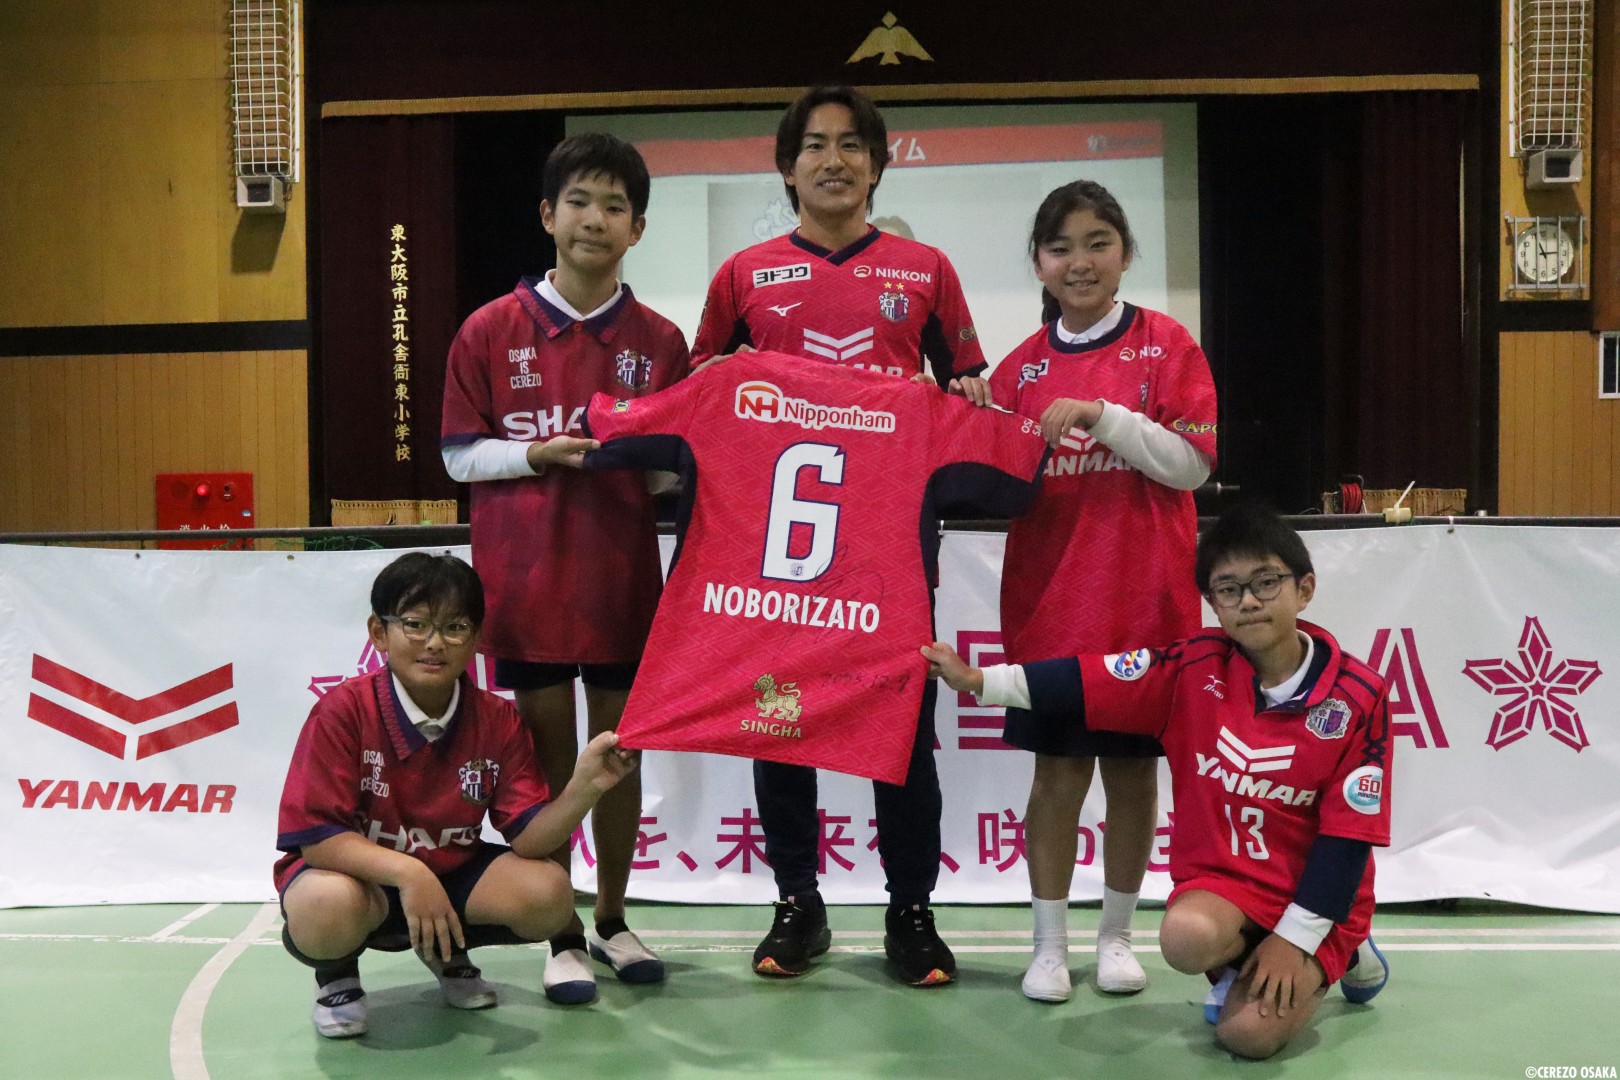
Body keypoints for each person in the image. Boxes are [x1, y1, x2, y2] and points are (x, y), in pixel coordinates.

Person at [690, 85, 987, 986]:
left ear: (877, 165)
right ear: (787, 168)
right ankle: (798, 905)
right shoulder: (743, 275)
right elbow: (701, 390)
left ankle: (911, 913)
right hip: (778, 544)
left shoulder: (926, 269)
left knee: (902, 725)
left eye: (852, 145)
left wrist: (953, 396)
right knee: (779, 718)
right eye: (814, 145)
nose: (833, 160)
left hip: (891, 541)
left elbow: (968, 389)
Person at [922, 503, 1392, 1059]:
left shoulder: (1359, 696)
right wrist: (979, 680)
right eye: (1228, 589)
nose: (1248, 601)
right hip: (1228, 887)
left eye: (1266, 583)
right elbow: (1085, 680)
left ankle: (1344, 949)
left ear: (1304, 589)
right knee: (1183, 937)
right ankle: (1244, 962)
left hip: (1314, 896)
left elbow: (1347, 838)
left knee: (1246, 1037)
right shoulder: (1193, 668)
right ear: (1212, 603)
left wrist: (1296, 939)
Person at [948, 179, 1218, 1001]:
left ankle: (1116, 938)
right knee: (1058, 777)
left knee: (1132, 778)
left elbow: (1192, 465)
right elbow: (988, 487)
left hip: (1147, 611)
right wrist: (961, 418)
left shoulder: (1168, 345)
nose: (1080, 261)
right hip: (1050, 611)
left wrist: (1104, 415)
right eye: (1060, 247)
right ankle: (1049, 948)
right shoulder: (1017, 369)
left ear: (1126, 253)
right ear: (1038, 262)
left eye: (1098, 243)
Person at [440, 132, 689, 1004]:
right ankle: (562, 932)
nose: (595, 219)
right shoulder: (489, 329)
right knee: (548, 772)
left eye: (615, 206)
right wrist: (537, 455)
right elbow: (459, 456)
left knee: (617, 760)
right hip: (525, 589)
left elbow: (667, 476)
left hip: (622, 589)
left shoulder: (661, 341)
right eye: (579, 201)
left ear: (638, 228)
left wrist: (653, 461)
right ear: (548, 214)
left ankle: (613, 919)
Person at [274, 553, 639, 1038]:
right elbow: (318, 839)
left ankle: (445, 950)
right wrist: (410, 873)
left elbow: (529, 839)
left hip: (448, 875)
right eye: (415, 624)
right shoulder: (342, 711)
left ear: (477, 639)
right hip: (361, 881)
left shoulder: (497, 719)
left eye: (454, 627)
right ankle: (337, 973)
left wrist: (585, 787)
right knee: (323, 905)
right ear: (379, 632)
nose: (434, 643)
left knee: (549, 894)